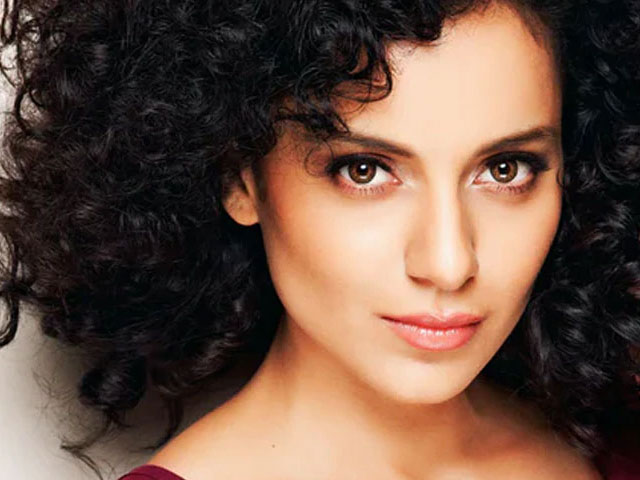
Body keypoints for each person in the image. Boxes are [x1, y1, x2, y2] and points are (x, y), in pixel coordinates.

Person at [0, 0, 639, 479]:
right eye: (364, 171)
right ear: (240, 178)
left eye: (504, 169)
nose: (449, 263)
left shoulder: (614, 444)